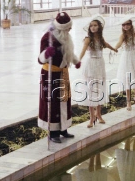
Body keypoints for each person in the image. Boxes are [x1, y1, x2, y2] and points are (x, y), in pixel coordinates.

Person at [38, 11, 81, 143]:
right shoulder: (48, 37)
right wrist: (47, 53)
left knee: (64, 101)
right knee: (52, 102)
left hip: (62, 74)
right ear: (62, 27)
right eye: (68, 27)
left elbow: (69, 52)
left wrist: (75, 60)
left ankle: (63, 128)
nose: (70, 29)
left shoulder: (66, 36)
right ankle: (53, 132)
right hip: (50, 74)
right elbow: (40, 59)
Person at [79, 15, 117, 128]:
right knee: (91, 90)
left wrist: (114, 49)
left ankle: (99, 114)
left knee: (99, 89)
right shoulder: (88, 39)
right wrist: (78, 60)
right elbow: (83, 50)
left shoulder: (100, 39)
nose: (93, 27)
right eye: (91, 26)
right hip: (91, 65)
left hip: (100, 64)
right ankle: (91, 117)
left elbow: (106, 45)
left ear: (99, 27)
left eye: (95, 25)